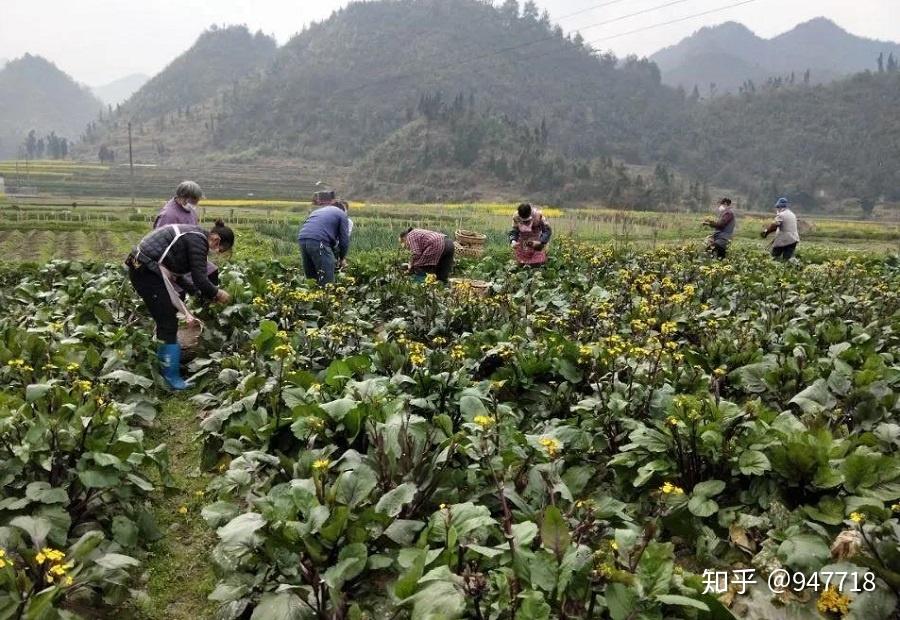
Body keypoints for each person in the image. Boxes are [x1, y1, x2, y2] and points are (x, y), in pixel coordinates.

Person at [126, 220, 234, 390]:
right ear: (216, 239)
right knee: (167, 321)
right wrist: (218, 293)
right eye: (221, 249)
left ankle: (165, 369)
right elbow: (200, 278)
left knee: (166, 319)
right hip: (145, 270)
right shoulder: (198, 241)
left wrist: (196, 293)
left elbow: (177, 275)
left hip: (145, 268)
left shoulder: (194, 236)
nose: (218, 252)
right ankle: (171, 378)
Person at [153, 181, 219, 293]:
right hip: (174, 260)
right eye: (195, 200)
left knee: (212, 272)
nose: (197, 203)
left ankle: (206, 302)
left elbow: (195, 232)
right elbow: (159, 244)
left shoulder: (190, 211)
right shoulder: (168, 215)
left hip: (190, 254)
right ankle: (194, 299)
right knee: (182, 288)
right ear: (185, 198)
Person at [297, 196, 350, 285]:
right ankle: (326, 296)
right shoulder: (342, 214)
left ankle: (311, 296)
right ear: (343, 209)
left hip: (302, 239)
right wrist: (342, 258)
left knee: (311, 279)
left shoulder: (318, 211)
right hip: (319, 241)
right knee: (327, 278)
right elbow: (344, 240)